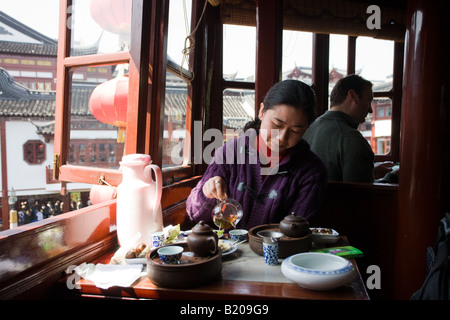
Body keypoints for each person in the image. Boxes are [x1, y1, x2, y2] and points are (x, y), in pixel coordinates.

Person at [186, 80, 327, 230]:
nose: (281, 137)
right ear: (261, 111)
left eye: (295, 131)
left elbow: (298, 232)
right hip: (226, 251)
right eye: (277, 125)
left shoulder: (312, 171)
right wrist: (207, 194)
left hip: (278, 253)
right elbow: (194, 213)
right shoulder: (230, 153)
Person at [303, 74, 375, 183]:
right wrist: (391, 177)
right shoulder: (351, 139)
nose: (370, 110)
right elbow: (363, 195)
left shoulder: (309, 128)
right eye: (368, 100)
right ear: (352, 95)